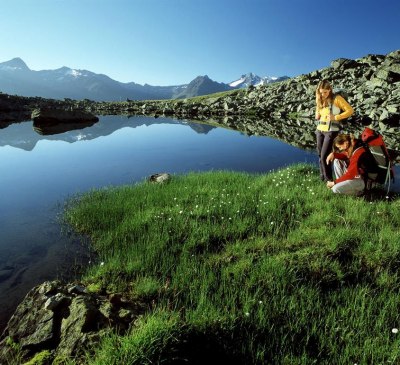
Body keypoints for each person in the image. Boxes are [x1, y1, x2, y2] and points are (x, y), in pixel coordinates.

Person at [315, 80, 354, 181]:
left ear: (330, 90)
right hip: (319, 130)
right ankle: (322, 177)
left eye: (325, 92)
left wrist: (336, 117)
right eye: (321, 92)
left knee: (324, 156)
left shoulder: (337, 98)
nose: (323, 94)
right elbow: (318, 110)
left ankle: (329, 180)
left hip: (331, 131)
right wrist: (317, 114)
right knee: (320, 155)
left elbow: (350, 110)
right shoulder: (320, 98)